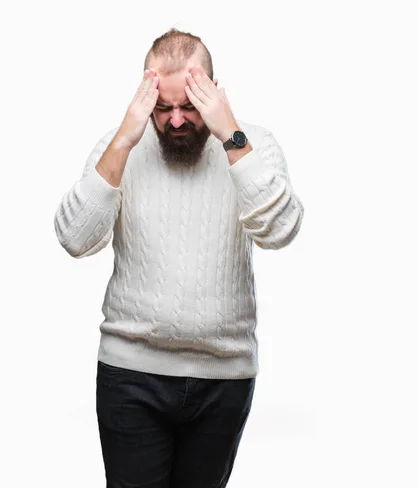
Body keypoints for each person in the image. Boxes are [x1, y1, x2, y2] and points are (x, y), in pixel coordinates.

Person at [53, 28, 304, 488]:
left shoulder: (251, 144)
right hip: (131, 374)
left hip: (224, 377)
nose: (175, 121)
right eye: (163, 108)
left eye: (189, 106)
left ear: (211, 91)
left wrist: (230, 133)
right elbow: (74, 237)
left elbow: (281, 230)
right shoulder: (120, 146)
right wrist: (125, 141)